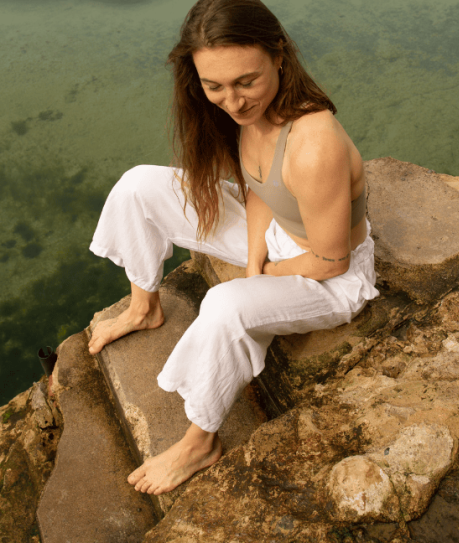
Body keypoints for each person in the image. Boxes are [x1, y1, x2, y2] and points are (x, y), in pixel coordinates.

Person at [86, 0, 378, 495]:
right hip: (280, 236)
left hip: (330, 278)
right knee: (138, 185)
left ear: (279, 55)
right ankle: (144, 307)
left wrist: (258, 282)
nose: (234, 102)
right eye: (213, 86)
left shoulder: (314, 143)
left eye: (246, 81)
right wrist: (252, 256)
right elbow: (257, 189)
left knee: (225, 304)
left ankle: (201, 442)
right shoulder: (245, 114)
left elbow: (333, 260)